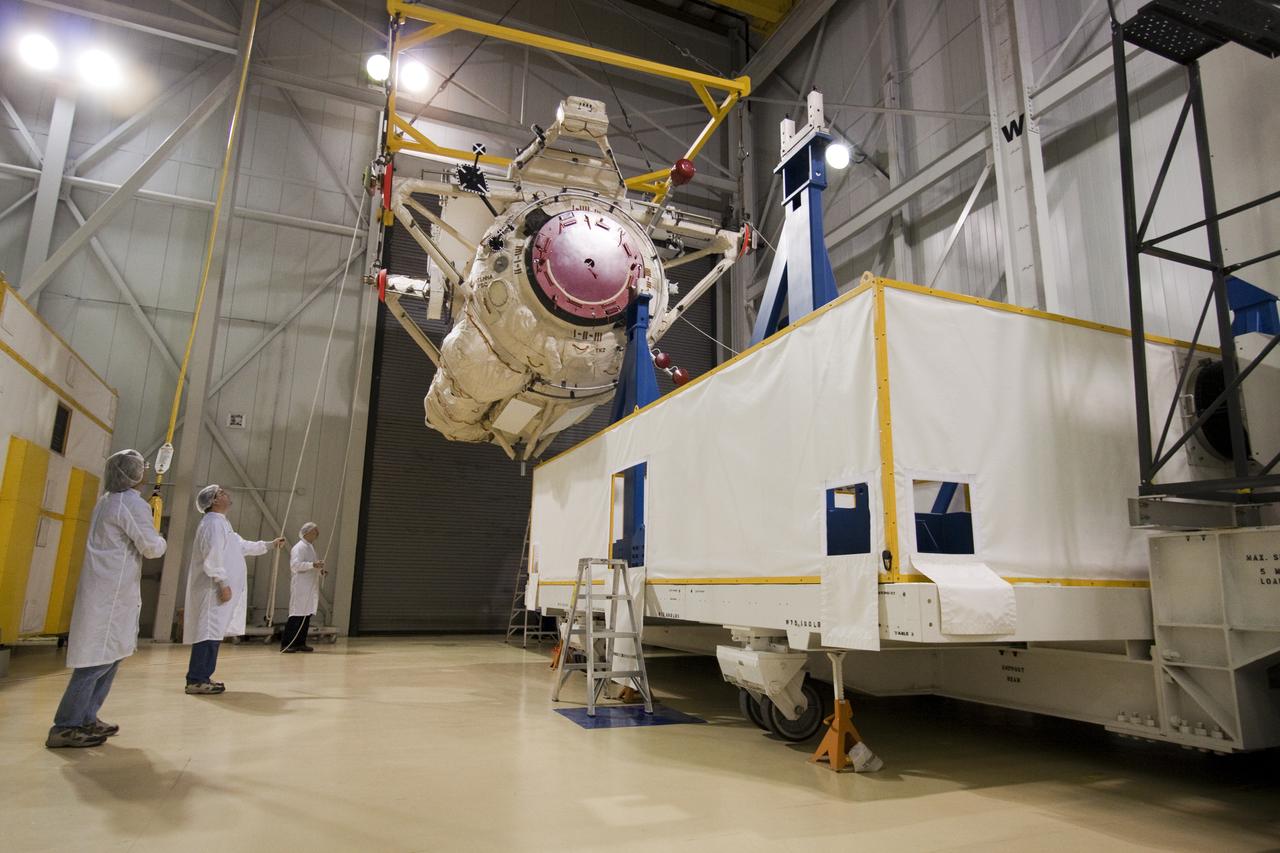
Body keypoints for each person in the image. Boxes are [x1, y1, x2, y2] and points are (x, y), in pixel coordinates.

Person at [47, 450, 167, 749]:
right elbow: (151, 548)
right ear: (132, 474)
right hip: (110, 594)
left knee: (110, 656)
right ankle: (66, 726)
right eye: (141, 467)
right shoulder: (130, 504)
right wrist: (159, 535)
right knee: (95, 663)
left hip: (111, 591)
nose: (145, 470)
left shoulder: (108, 501)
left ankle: (87, 717)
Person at [182, 485, 285, 694]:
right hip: (213, 589)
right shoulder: (212, 523)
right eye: (221, 493)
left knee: (213, 634)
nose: (226, 494)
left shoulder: (222, 524)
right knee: (208, 633)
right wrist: (222, 583)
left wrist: (270, 544)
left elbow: (242, 546)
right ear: (213, 501)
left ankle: (203, 677)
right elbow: (212, 556)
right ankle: (196, 680)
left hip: (218, 589)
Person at [281, 522, 325, 653]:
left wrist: (320, 570)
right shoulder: (299, 547)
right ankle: (287, 644)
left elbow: (313, 565)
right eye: (314, 531)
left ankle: (300, 643)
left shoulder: (310, 547)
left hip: (309, 587)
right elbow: (295, 566)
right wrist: (313, 565)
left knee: (306, 616)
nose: (317, 534)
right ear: (306, 533)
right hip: (301, 587)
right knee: (296, 616)